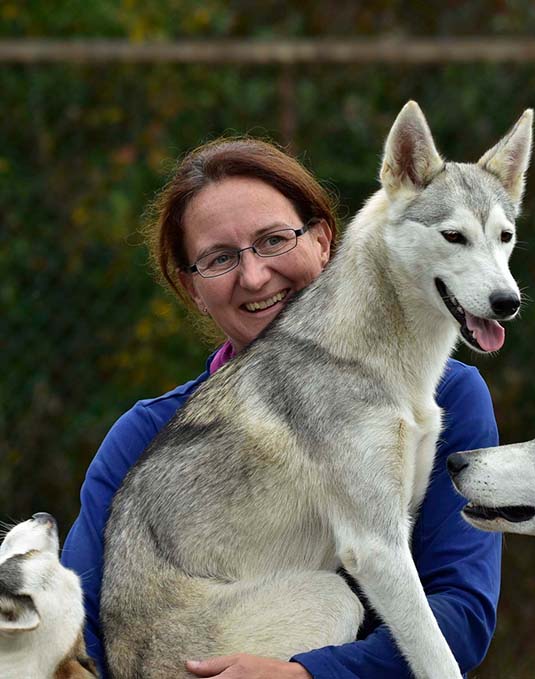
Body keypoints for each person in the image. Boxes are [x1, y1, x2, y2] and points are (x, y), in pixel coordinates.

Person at [62, 137, 502, 679]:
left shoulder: (452, 396)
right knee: (334, 599)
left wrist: (307, 676)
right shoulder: (146, 433)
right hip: (186, 650)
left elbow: (463, 614)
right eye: (219, 258)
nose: (253, 276)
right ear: (192, 288)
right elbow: (75, 633)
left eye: (274, 240)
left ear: (323, 241)